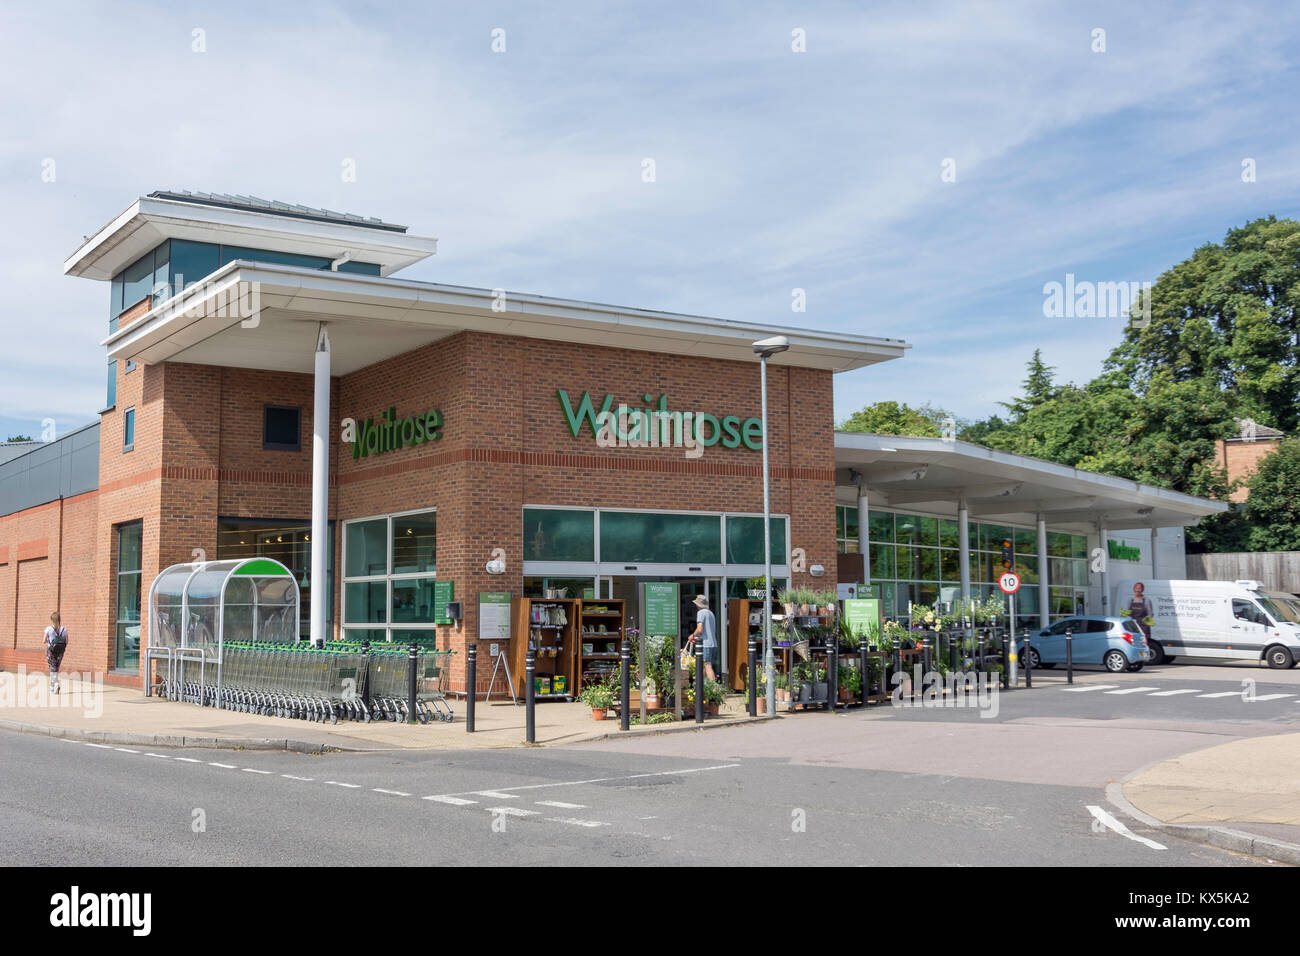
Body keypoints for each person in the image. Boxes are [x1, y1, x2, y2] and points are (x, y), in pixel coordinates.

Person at [686, 594, 718, 682]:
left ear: (698, 604)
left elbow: (700, 629)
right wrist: (698, 638)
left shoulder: (700, 613)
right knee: (704, 666)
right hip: (713, 644)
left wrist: (692, 636)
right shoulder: (711, 613)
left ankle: (714, 690)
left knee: (708, 666)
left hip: (706, 644)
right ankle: (702, 688)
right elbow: (707, 632)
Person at [44, 611, 68, 695]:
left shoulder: (49, 629)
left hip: (51, 651)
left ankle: (55, 684)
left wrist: (51, 641)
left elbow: (44, 640)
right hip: (60, 652)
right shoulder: (64, 630)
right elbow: (66, 642)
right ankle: (52, 687)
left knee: (52, 669)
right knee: (55, 669)